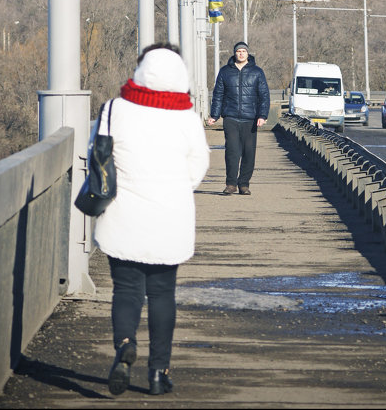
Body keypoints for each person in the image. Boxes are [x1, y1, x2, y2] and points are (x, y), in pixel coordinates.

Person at [92, 43, 210, 397]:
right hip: (169, 218)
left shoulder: (115, 110)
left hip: (123, 215)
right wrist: (174, 188)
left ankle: (125, 344)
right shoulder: (186, 118)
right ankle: (158, 373)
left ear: (140, 70)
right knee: (162, 295)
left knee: (126, 290)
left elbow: (95, 155)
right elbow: (198, 166)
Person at [207, 41, 270, 196]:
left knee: (249, 152)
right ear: (234, 53)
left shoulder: (257, 72)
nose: (241, 53)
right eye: (238, 51)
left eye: (243, 51)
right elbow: (218, 95)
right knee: (232, 152)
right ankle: (231, 184)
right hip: (231, 117)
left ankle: (244, 184)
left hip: (251, 118)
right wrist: (214, 115)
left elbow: (264, 96)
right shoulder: (225, 72)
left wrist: (262, 115)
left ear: (248, 53)